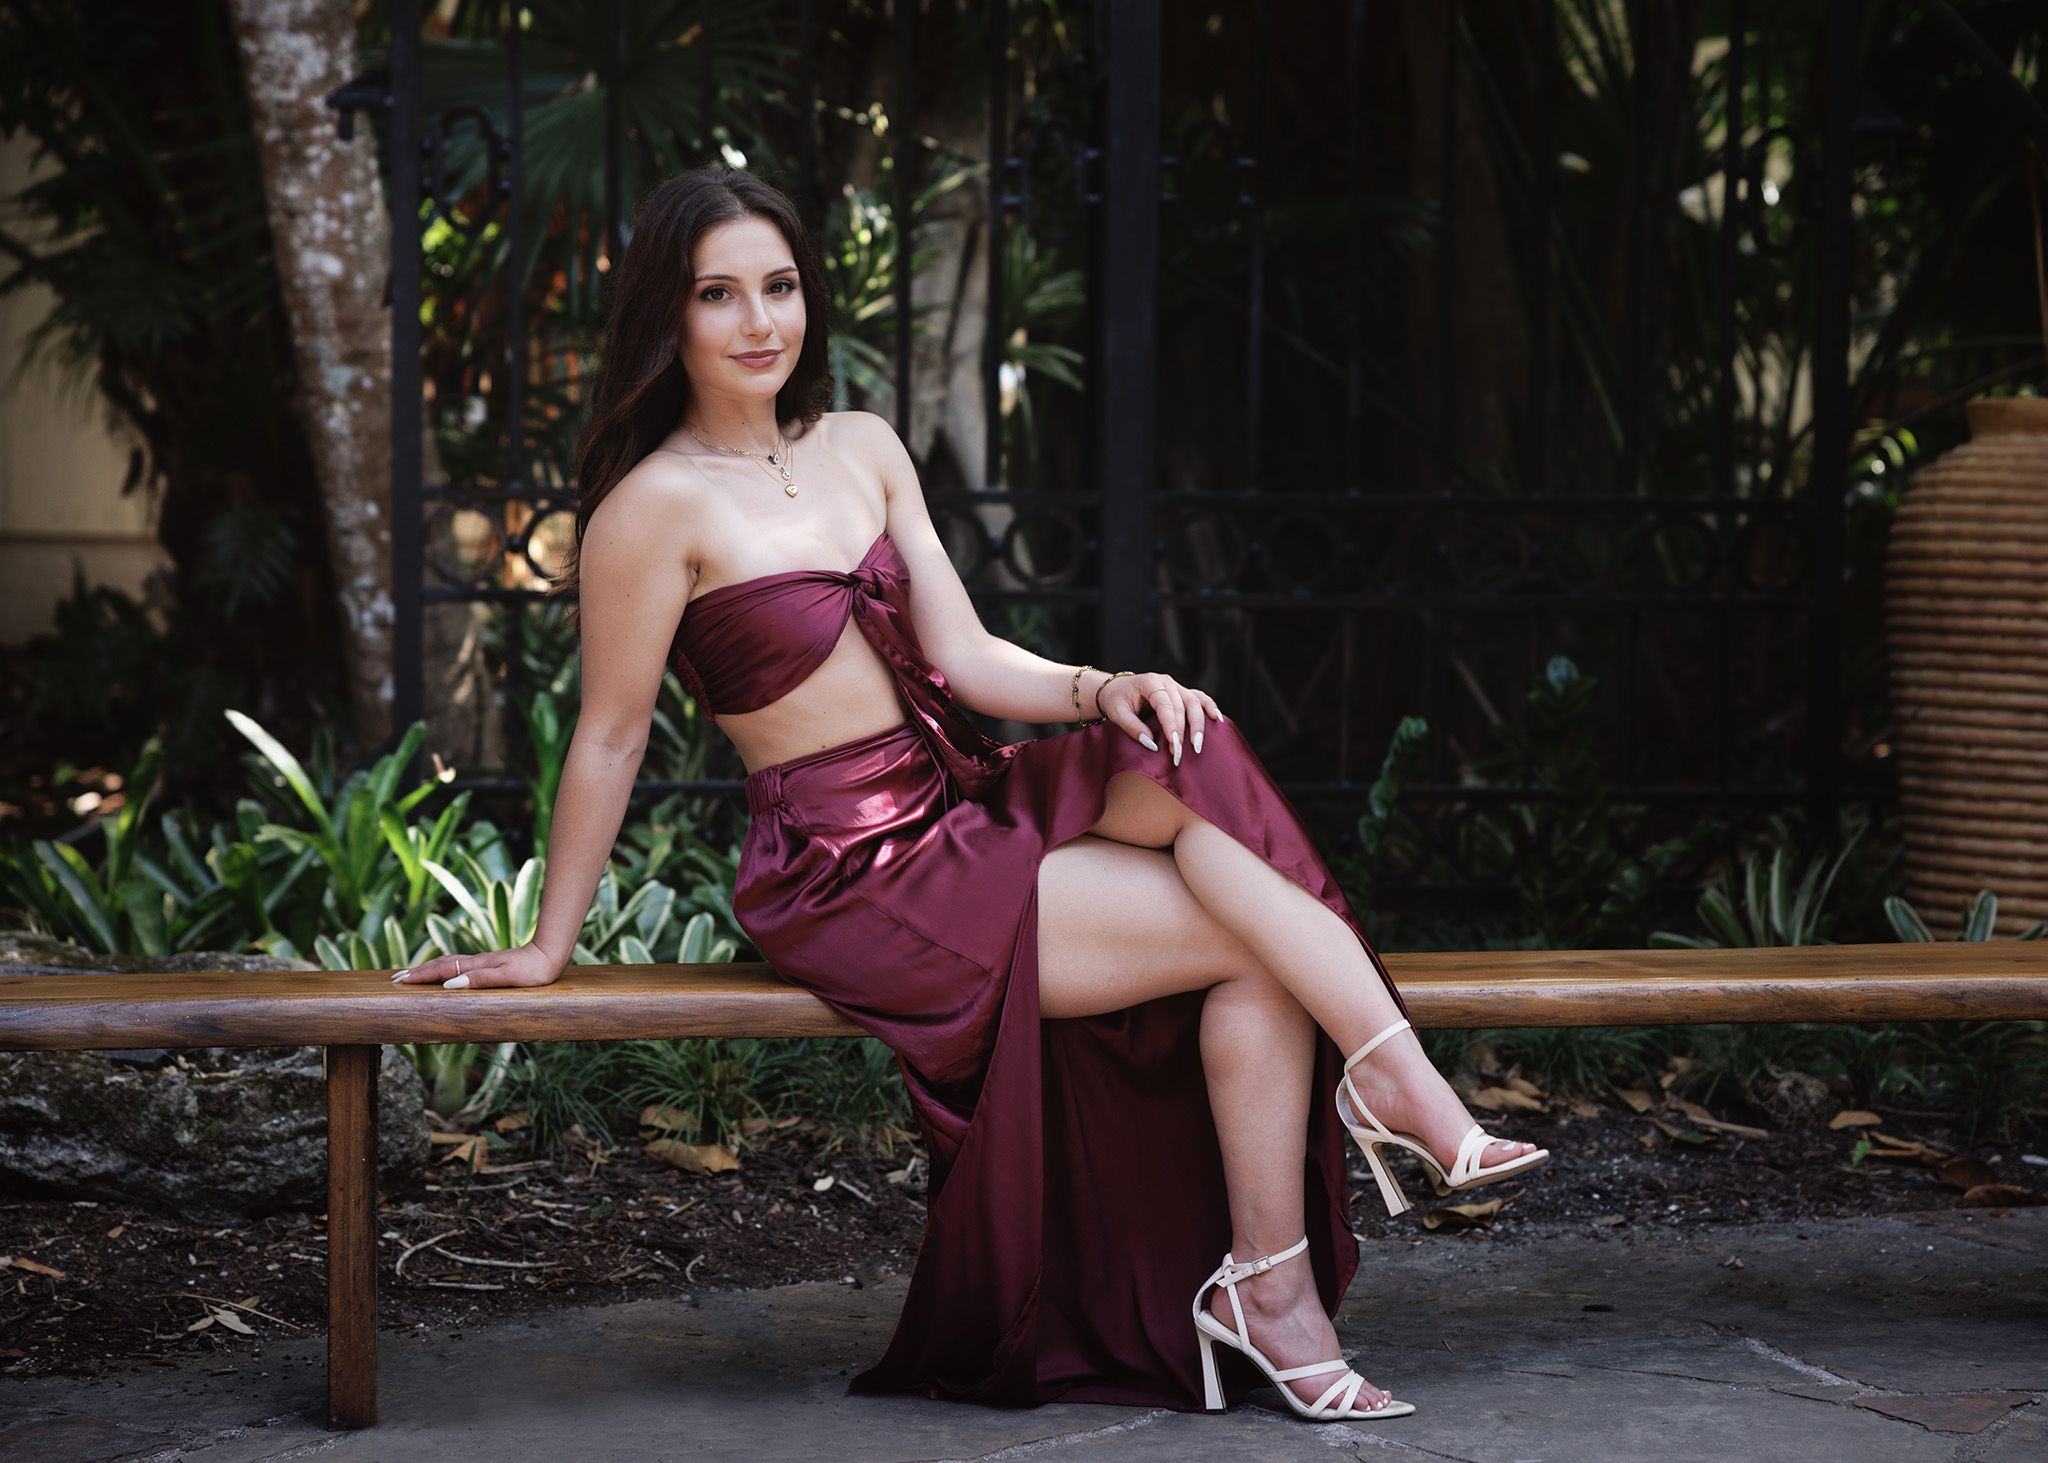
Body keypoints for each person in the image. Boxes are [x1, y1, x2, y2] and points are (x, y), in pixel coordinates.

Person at [393, 164, 1548, 1423]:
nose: (759, 321)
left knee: (1184, 745)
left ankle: (1337, 1165)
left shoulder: (861, 445)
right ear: (667, 316)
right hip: (848, 869)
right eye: (718, 294)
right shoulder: (650, 506)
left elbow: (964, 656)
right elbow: (611, 738)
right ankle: (1329, 1190)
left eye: (779, 286)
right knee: (1260, 936)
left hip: (957, 806)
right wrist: (547, 944)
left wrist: (1103, 685)